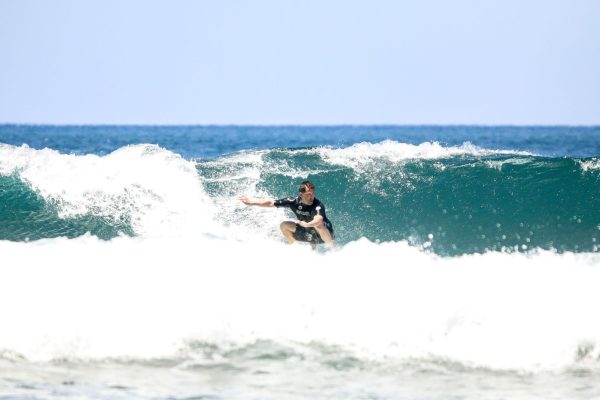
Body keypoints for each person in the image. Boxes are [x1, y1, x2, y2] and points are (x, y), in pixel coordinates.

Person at [239, 180, 335, 248]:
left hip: (324, 234)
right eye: (308, 195)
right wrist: (251, 202)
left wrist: (307, 224)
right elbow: (271, 203)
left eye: (312, 193)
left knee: (319, 225)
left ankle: (332, 250)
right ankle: (295, 250)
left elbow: (318, 219)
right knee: (284, 225)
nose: (311, 197)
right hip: (308, 231)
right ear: (301, 195)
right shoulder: (293, 201)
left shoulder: (317, 204)